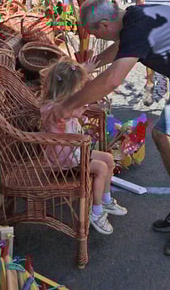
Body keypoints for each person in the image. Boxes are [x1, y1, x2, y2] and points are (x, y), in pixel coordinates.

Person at [42, 0, 170, 256]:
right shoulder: (132, 18)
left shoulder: (137, 28)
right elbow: (120, 49)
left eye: (95, 34)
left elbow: (114, 79)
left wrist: (68, 103)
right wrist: (88, 67)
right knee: (161, 136)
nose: (97, 39)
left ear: (105, 24)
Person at [39, 59, 127, 235]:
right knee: (101, 167)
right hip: (62, 162)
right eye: (78, 90)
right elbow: (73, 110)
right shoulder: (56, 110)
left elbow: (76, 105)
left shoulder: (60, 104)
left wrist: (84, 73)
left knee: (108, 158)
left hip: (74, 153)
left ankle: (106, 198)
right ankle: (96, 211)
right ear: (69, 92)